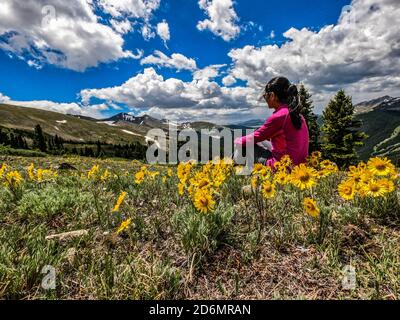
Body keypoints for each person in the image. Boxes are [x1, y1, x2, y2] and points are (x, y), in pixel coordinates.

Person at [234, 77, 309, 168]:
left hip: (282, 168)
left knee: (243, 146)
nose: (265, 98)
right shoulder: (297, 114)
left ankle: (232, 172)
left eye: (265, 95)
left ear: (272, 96)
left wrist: (237, 141)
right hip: (300, 167)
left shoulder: (279, 117)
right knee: (258, 141)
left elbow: (256, 137)